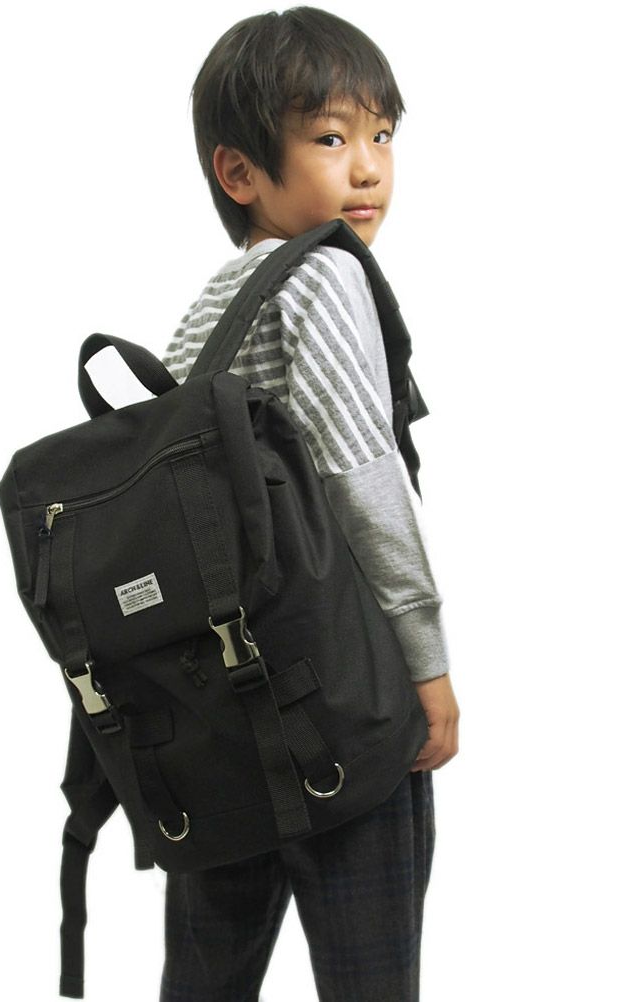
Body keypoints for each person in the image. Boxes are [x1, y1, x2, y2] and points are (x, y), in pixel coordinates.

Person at [158, 8, 460, 1001]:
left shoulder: (208, 308)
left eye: (383, 135)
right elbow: (359, 473)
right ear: (239, 171)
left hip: (221, 720)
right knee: (372, 979)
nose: (368, 168)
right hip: (341, 702)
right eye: (331, 138)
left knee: (204, 983)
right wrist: (426, 665)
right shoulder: (328, 272)